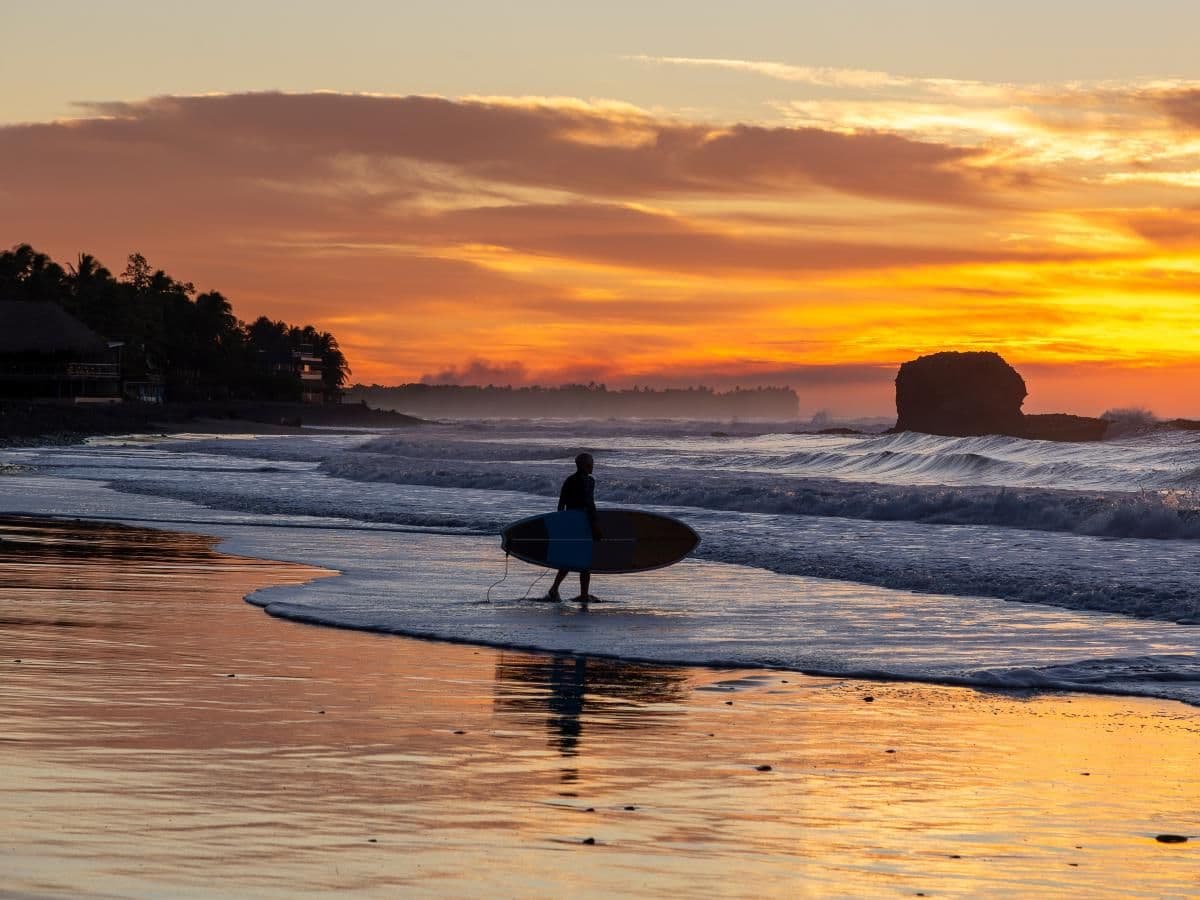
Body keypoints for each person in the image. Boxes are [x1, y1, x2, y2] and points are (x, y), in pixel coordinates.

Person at [546, 452, 600, 601]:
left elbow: (561, 505)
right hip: (582, 523)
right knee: (585, 561)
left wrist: (561, 524)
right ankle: (583, 594)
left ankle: (555, 588)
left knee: (570, 558)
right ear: (584, 465)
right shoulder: (586, 481)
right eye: (590, 463)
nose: (592, 465)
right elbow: (589, 504)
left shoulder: (571, 480)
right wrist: (595, 525)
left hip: (573, 522)